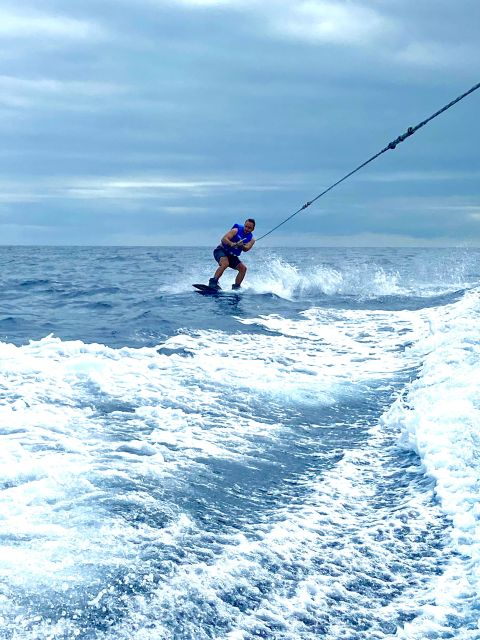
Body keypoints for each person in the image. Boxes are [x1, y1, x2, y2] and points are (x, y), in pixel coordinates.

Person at [209, 219, 256, 290]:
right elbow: (224, 239)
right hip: (221, 251)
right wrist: (231, 243)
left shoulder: (252, 239)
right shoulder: (235, 230)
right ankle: (213, 282)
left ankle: (236, 287)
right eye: (246, 226)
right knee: (225, 263)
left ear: (253, 229)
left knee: (243, 269)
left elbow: (246, 248)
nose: (247, 229)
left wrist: (241, 245)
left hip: (232, 256)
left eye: (249, 228)